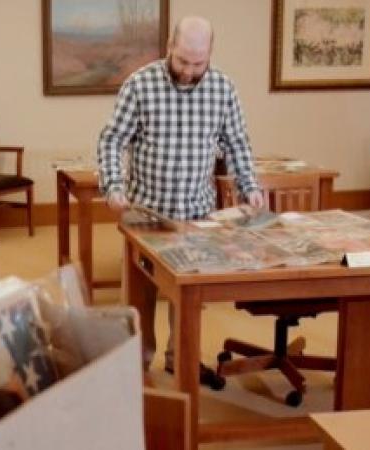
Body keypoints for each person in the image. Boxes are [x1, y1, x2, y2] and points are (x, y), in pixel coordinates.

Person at [97, 16, 263, 388]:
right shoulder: (139, 85)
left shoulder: (223, 89)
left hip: (196, 213)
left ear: (210, 55)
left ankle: (180, 360)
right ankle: (137, 366)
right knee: (142, 297)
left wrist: (249, 185)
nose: (188, 72)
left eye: (197, 64)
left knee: (187, 298)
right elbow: (111, 141)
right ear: (170, 47)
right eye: (182, 62)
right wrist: (112, 186)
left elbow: (237, 143)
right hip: (145, 214)